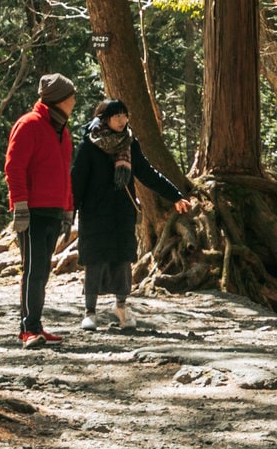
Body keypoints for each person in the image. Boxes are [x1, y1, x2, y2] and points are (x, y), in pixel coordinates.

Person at [70, 97, 193, 331]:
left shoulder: (129, 143)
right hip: (95, 212)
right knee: (94, 261)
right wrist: (70, 210)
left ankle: (121, 308)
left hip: (122, 212)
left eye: (124, 115)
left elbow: (147, 173)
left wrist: (176, 196)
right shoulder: (89, 143)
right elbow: (77, 179)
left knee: (122, 261)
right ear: (105, 119)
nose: (122, 120)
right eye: (116, 116)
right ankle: (90, 312)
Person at [5, 73, 78, 347]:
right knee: (33, 271)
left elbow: (65, 174)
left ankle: (36, 325)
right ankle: (28, 329)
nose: (73, 101)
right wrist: (20, 206)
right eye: (70, 96)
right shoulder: (29, 125)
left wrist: (68, 209)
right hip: (32, 212)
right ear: (58, 99)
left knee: (43, 272)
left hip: (54, 210)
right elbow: (13, 168)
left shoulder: (62, 131)